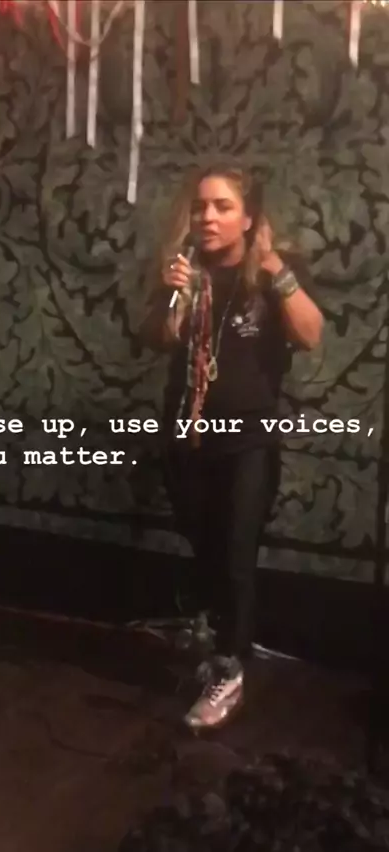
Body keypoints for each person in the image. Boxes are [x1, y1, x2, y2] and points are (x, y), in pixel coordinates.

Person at [140, 165, 324, 732]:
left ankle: (230, 668)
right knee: (207, 547)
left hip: (248, 442)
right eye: (200, 206)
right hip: (187, 436)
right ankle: (211, 640)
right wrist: (172, 297)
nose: (207, 217)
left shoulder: (273, 271)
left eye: (222, 206)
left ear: (248, 218)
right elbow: (156, 339)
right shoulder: (183, 269)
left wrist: (276, 271)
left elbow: (311, 335)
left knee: (238, 554)